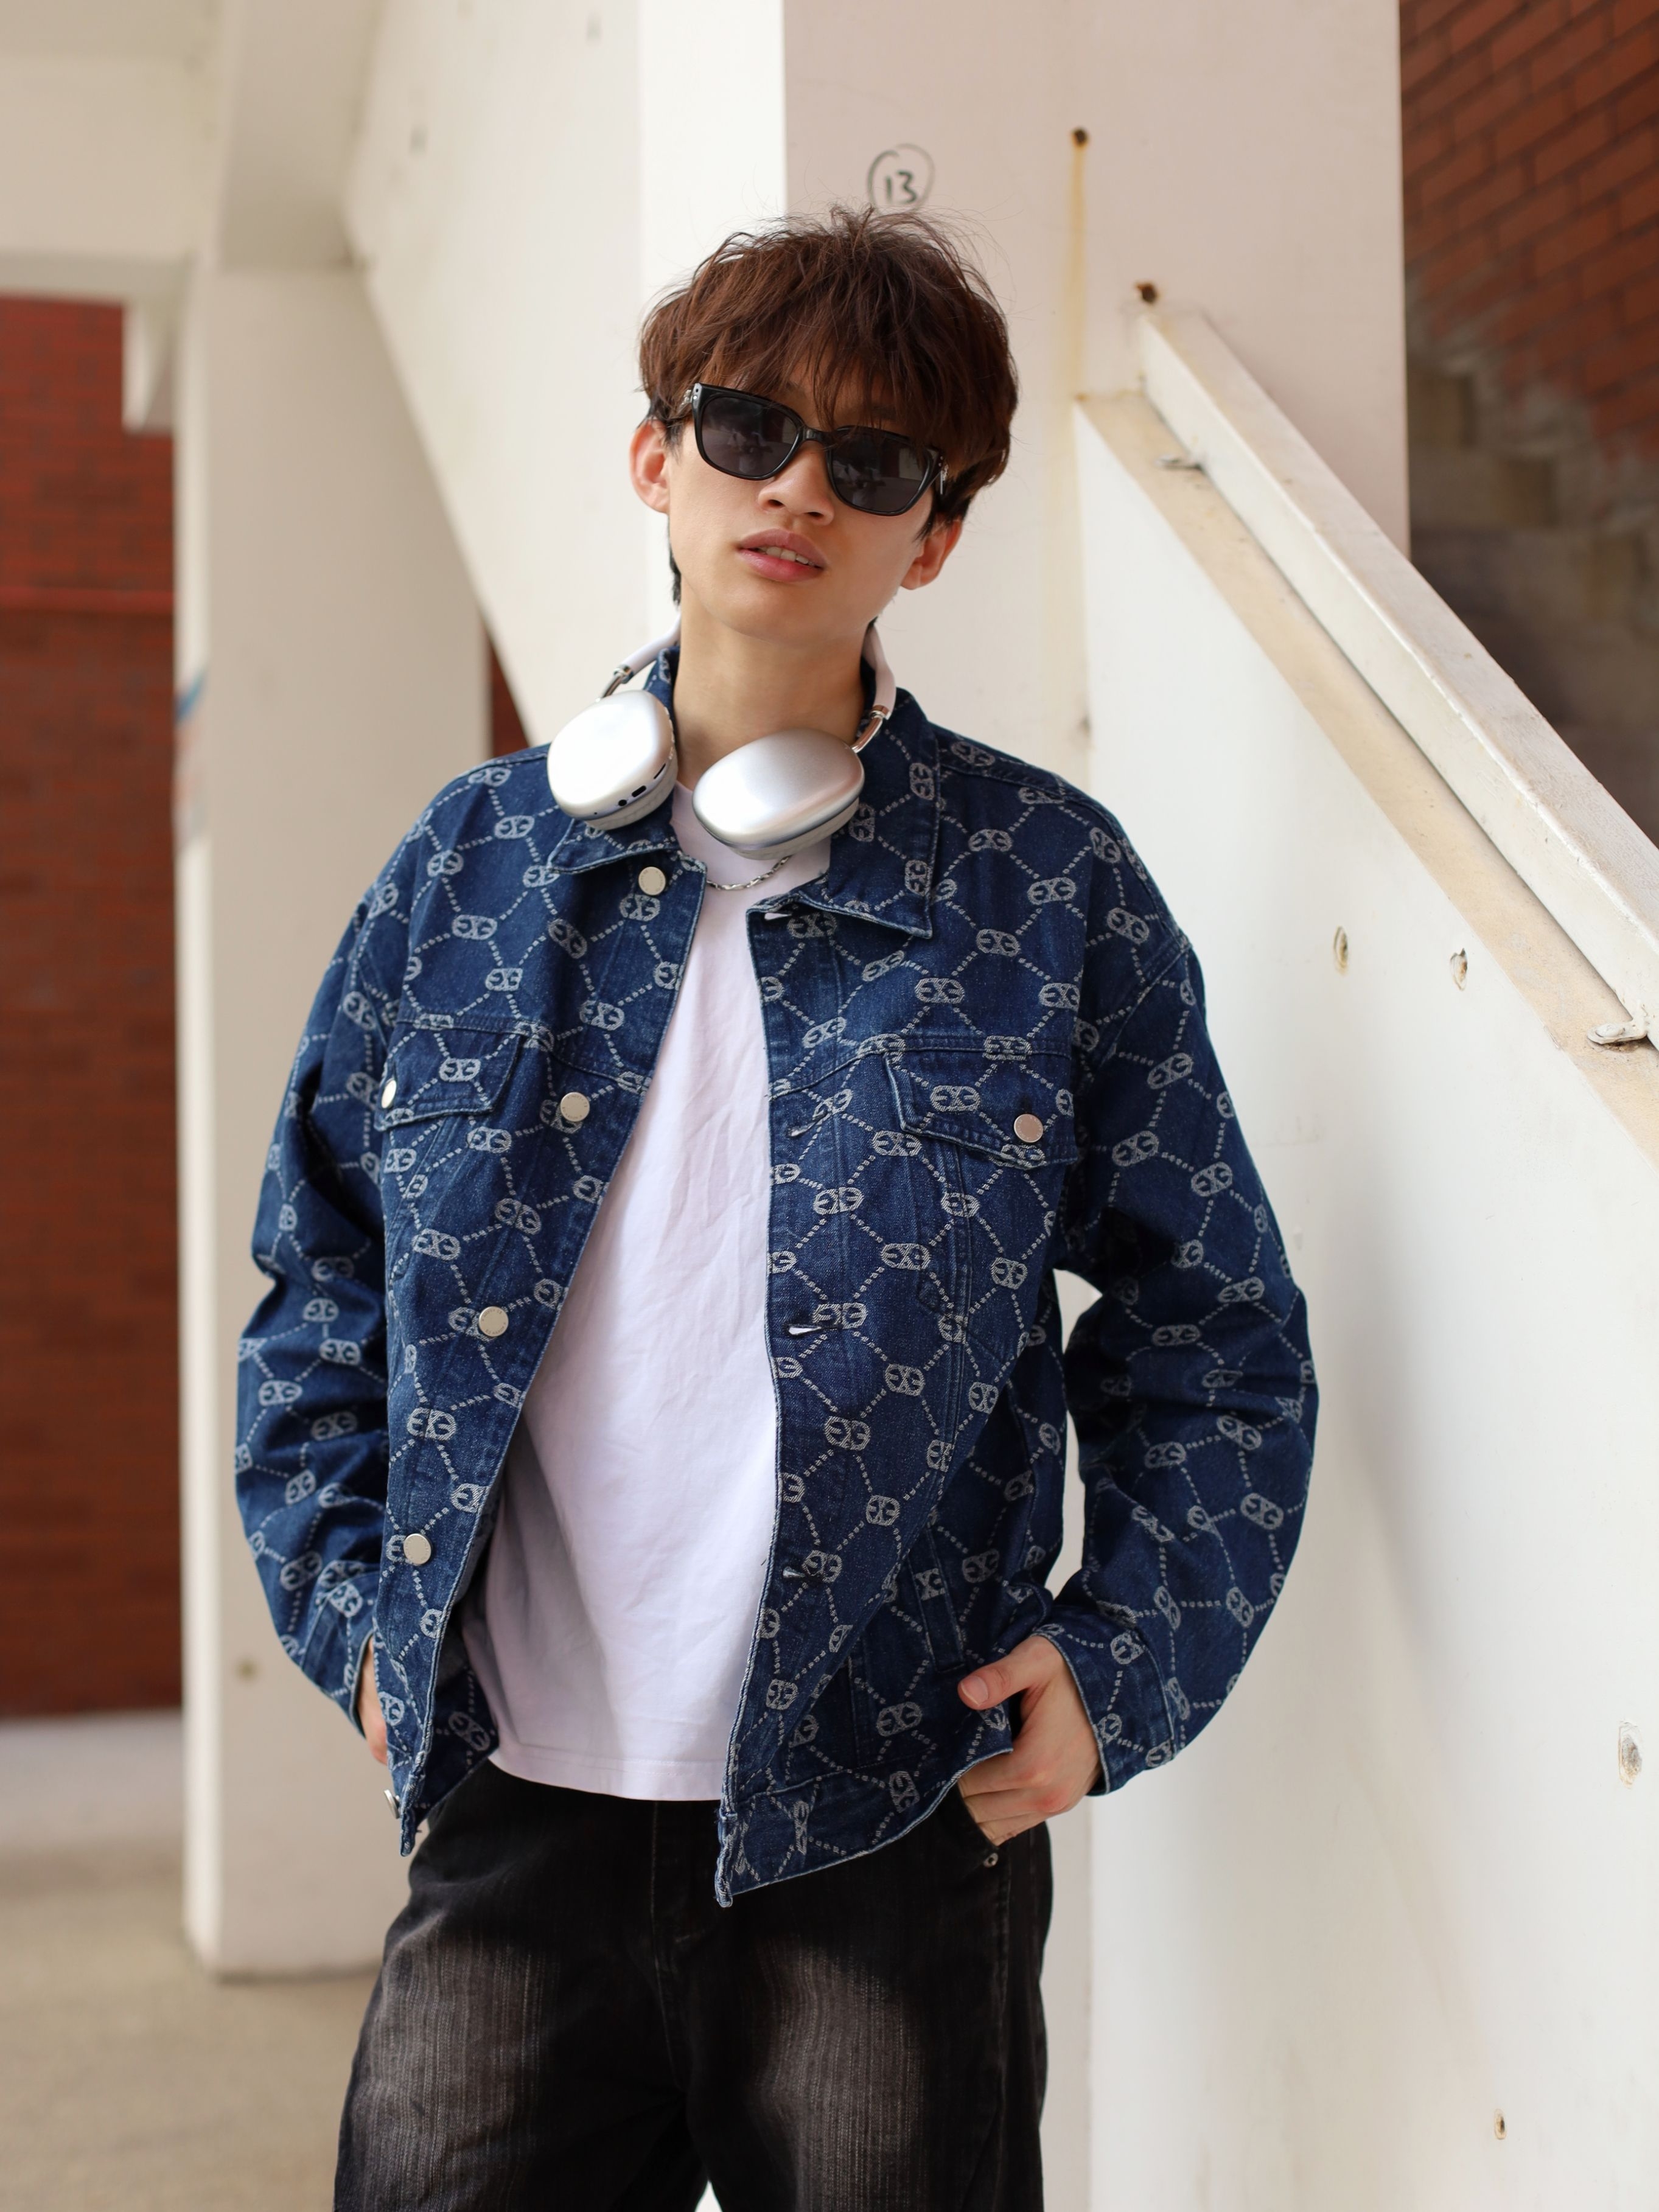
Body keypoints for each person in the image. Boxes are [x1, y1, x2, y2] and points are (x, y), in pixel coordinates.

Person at [236, 206, 1316, 2211]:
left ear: (938, 534)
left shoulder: (1048, 890)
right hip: (515, 1800)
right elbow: (321, 1277)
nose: (800, 487)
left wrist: (1120, 1663)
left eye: (875, 459)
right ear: (659, 459)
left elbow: (1217, 1328)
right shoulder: (468, 870)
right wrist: (356, 1613)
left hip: (889, 1818)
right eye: (749, 428)